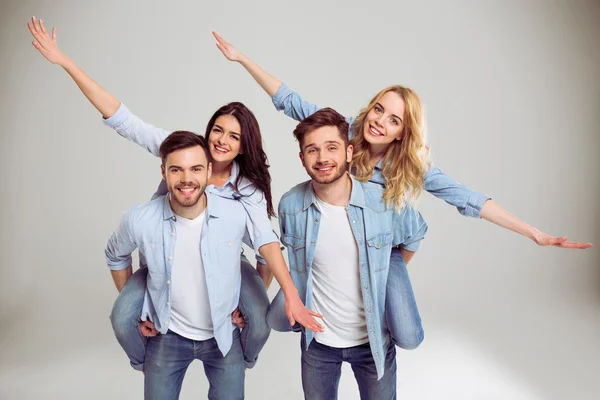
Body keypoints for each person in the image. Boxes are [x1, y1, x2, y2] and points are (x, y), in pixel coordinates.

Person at [212, 31, 593, 350]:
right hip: (333, 243)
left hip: (382, 249)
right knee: (277, 318)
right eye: (378, 109)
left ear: (401, 131)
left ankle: (370, 327)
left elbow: (470, 199)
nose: (379, 121)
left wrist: (535, 234)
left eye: (393, 119)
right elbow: (290, 100)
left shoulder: (409, 165)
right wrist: (243, 59)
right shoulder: (344, 131)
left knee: (408, 338)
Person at [27, 16, 323, 372]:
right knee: (122, 316)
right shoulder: (182, 151)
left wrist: (245, 298)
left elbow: (265, 246)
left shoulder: (248, 189)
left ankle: (240, 360)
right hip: (166, 257)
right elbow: (124, 120)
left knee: (259, 320)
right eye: (218, 130)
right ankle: (147, 360)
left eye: (234, 136)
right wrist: (68, 64)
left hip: (223, 262)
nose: (222, 141)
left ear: (244, 146)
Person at [274, 108, 428, 398]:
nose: (322, 158)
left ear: (348, 152)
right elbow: (290, 262)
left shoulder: (382, 201)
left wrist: (387, 269)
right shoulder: (291, 205)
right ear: (302, 158)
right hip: (317, 343)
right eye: (312, 150)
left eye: (331, 148)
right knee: (272, 318)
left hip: (372, 343)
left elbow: (415, 232)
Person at [107, 130, 255, 399]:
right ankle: (145, 364)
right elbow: (115, 255)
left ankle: (244, 359)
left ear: (209, 171)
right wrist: (139, 307)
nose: (187, 179)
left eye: (196, 169)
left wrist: (242, 305)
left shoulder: (236, 213)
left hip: (224, 334)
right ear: (163, 173)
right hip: (167, 334)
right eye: (177, 170)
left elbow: (268, 253)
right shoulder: (140, 219)